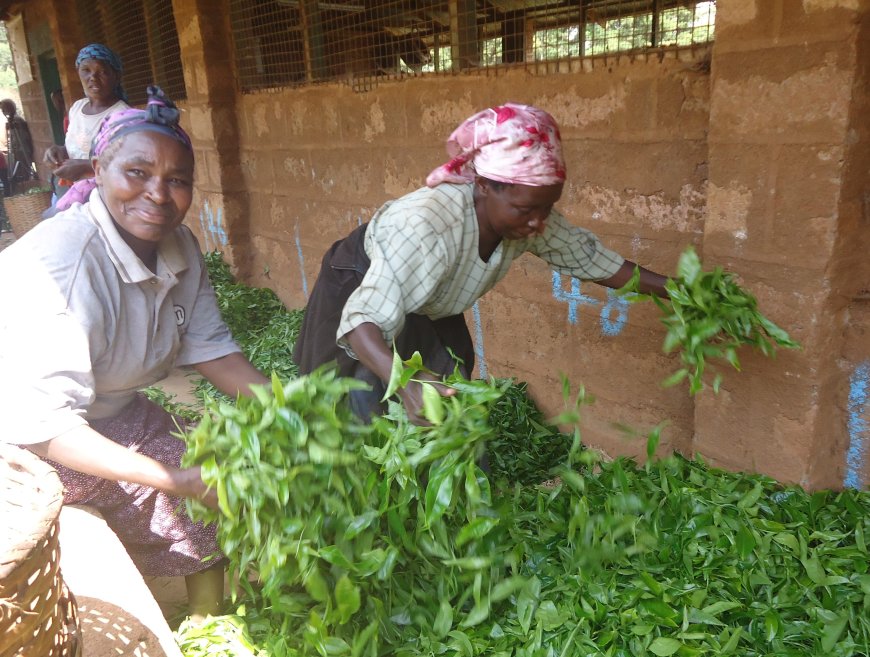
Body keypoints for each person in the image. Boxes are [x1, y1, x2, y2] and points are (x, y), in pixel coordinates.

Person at [0, 86, 270, 619]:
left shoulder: (181, 247)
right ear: (98, 169)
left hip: (108, 412)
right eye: (138, 173)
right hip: (22, 438)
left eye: (177, 180)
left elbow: (211, 348)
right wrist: (175, 480)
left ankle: (207, 628)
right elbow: (44, 425)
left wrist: (289, 405)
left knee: (196, 468)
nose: (159, 194)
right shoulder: (63, 266)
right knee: (173, 486)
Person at [293, 103, 670, 425]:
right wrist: (405, 382)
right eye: (526, 209)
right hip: (362, 287)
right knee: (354, 398)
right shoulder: (426, 225)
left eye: (547, 207)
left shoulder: (528, 220)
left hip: (431, 302)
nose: (539, 222)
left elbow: (591, 260)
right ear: (485, 186)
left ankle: (449, 496)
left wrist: (679, 292)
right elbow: (363, 323)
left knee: (450, 394)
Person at [43, 44, 129, 205]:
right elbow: (78, 146)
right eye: (86, 70)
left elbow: (128, 163)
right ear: (78, 73)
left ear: (116, 76)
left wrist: (86, 167)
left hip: (104, 198)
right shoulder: (77, 107)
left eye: (102, 72)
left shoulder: (123, 115)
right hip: (71, 190)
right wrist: (60, 151)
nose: (93, 78)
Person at [1, 98, 37, 193]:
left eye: (4, 109)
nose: (3, 112)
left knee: (24, 175)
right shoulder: (12, 121)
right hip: (17, 153)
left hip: (22, 153)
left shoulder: (17, 121)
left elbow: (22, 141)